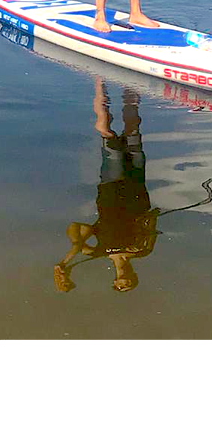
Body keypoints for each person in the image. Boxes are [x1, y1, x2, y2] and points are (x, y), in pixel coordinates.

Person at [53, 79, 159, 293]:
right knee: (133, 128)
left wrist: (75, 246)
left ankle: (99, 82)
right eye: (129, 284)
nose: (124, 282)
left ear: (115, 281)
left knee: (105, 131)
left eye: (120, 285)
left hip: (111, 183)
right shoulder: (141, 250)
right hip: (136, 183)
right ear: (134, 276)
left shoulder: (98, 250)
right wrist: (146, 224)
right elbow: (153, 217)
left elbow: (74, 226)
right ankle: (132, 84)